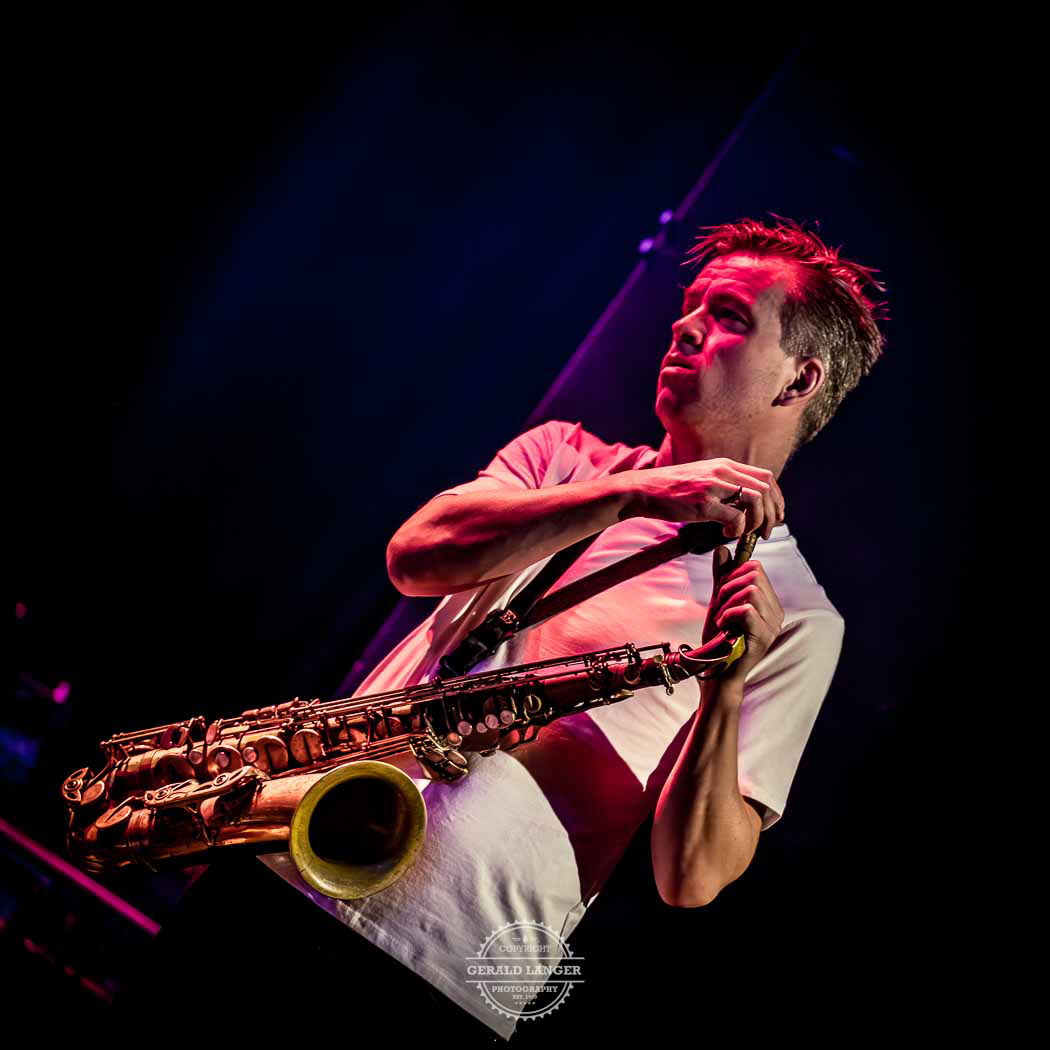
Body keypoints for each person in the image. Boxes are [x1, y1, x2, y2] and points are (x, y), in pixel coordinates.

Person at [120, 216, 887, 1043]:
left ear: (798, 379)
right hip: (286, 862)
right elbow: (415, 558)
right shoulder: (564, 457)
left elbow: (691, 878)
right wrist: (631, 493)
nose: (686, 325)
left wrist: (725, 687)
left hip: (453, 965)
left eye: (729, 315)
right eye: (691, 304)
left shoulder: (801, 616)